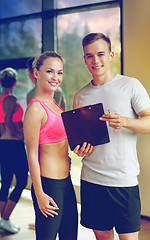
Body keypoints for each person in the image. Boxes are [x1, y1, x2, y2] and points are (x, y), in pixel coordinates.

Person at [73, 33, 150, 240]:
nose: (96, 61)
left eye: (101, 54)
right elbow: (79, 140)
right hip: (92, 180)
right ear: (85, 60)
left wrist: (125, 121)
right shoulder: (80, 96)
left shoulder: (131, 85)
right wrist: (79, 149)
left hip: (124, 180)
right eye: (89, 56)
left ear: (111, 55)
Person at [23, 51, 78, 240]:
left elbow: (60, 143)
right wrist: (39, 194)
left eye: (60, 72)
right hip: (49, 185)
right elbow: (31, 154)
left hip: (66, 181)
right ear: (36, 73)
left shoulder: (55, 104)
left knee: (70, 235)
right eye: (50, 71)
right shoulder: (35, 108)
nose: (56, 77)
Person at [0, 67, 28, 234]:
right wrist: (18, 135)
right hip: (13, 145)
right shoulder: (10, 99)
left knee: (6, 182)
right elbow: (9, 120)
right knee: (22, 182)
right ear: (15, 83)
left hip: (3, 145)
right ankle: (5, 219)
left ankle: (3, 220)